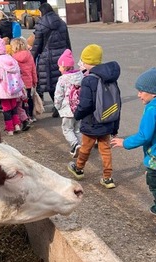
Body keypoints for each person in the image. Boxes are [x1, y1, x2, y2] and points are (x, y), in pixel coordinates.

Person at [111, 68, 156, 235]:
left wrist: (125, 142)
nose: (138, 95)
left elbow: (144, 136)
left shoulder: (152, 110)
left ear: (153, 93)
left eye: (141, 91)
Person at [67, 44, 120, 189]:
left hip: (91, 122)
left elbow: (85, 104)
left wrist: (77, 115)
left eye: (83, 60)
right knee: (106, 150)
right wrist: (115, 126)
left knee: (85, 147)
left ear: (87, 62)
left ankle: (78, 168)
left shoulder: (88, 80)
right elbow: (117, 102)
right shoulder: (111, 78)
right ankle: (108, 178)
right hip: (108, 121)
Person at [30, 3, 71, 117]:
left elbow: (37, 45)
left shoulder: (41, 25)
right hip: (62, 56)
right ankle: (62, 105)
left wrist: (31, 59)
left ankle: (57, 106)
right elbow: (67, 41)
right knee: (62, 82)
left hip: (47, 57)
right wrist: (69, 55)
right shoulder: (62, 23)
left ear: (42, 12)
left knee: (51, 84)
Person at [0, 38, 25, 135]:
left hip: (4, 91)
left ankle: (10, 129)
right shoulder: (13, 61)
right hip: (15, 89)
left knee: (6, 110)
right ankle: (17, 125)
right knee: (14, 107)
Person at [54, 49, 83, 157]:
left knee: (67, 129)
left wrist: (57, 106)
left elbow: (59, 94)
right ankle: (79, 147)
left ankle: (75, 145)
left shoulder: (62, 79)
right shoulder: (80, 76)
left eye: (60, 66)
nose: (59, 68)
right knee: (77, 129)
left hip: (67, 109)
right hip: (79, 108)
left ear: (64, 66)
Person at [11, 37, 38, 123]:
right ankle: (31, 116)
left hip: (18, 83)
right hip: (28, 82)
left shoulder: (13, 58)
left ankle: (24, 117)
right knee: (29, 99)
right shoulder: (29, 55)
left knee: (20, 101)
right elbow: (33, 69)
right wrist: (35, 80)